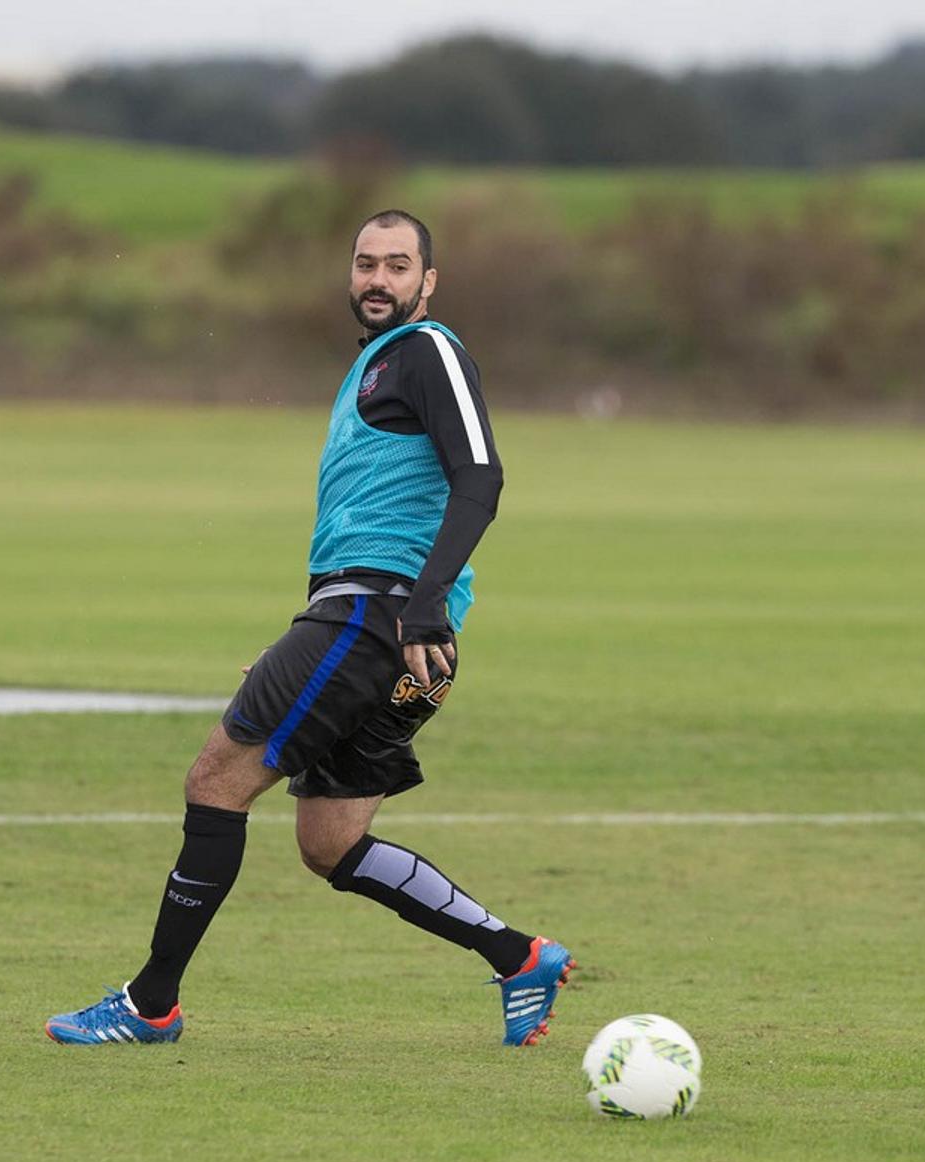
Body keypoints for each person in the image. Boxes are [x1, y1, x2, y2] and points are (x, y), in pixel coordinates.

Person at [46, 209, 574, 1048]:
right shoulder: (376, 364)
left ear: (427, 282)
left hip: (378, 617)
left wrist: (425, 599)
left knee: (216, 781)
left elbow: (482, 476)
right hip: (383, 624)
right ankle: (519, 958)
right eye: (366, 263)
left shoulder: (428, 349)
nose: (378, 279)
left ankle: (150, 1005)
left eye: (398, 266)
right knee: (331, 843)